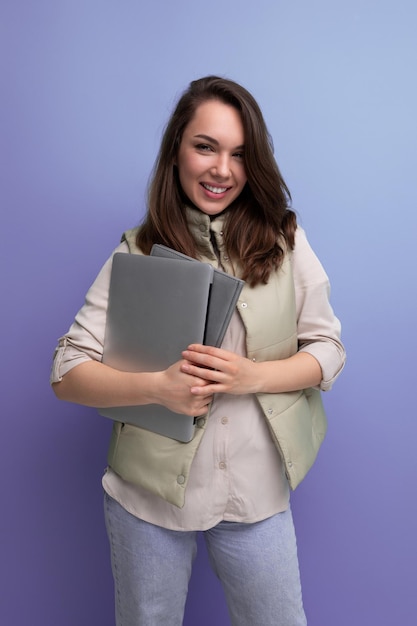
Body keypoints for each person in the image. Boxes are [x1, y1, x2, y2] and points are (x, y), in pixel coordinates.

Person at [51, 75, 345, 626]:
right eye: (205, 146)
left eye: (239, 154)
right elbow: (66, 372)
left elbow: (328, 350)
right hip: (148, 502)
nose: (222, 170)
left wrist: (249, 377)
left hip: (255, 494)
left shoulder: (285, 239)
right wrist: (158, 388)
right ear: (177, 151)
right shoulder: (136, 250)